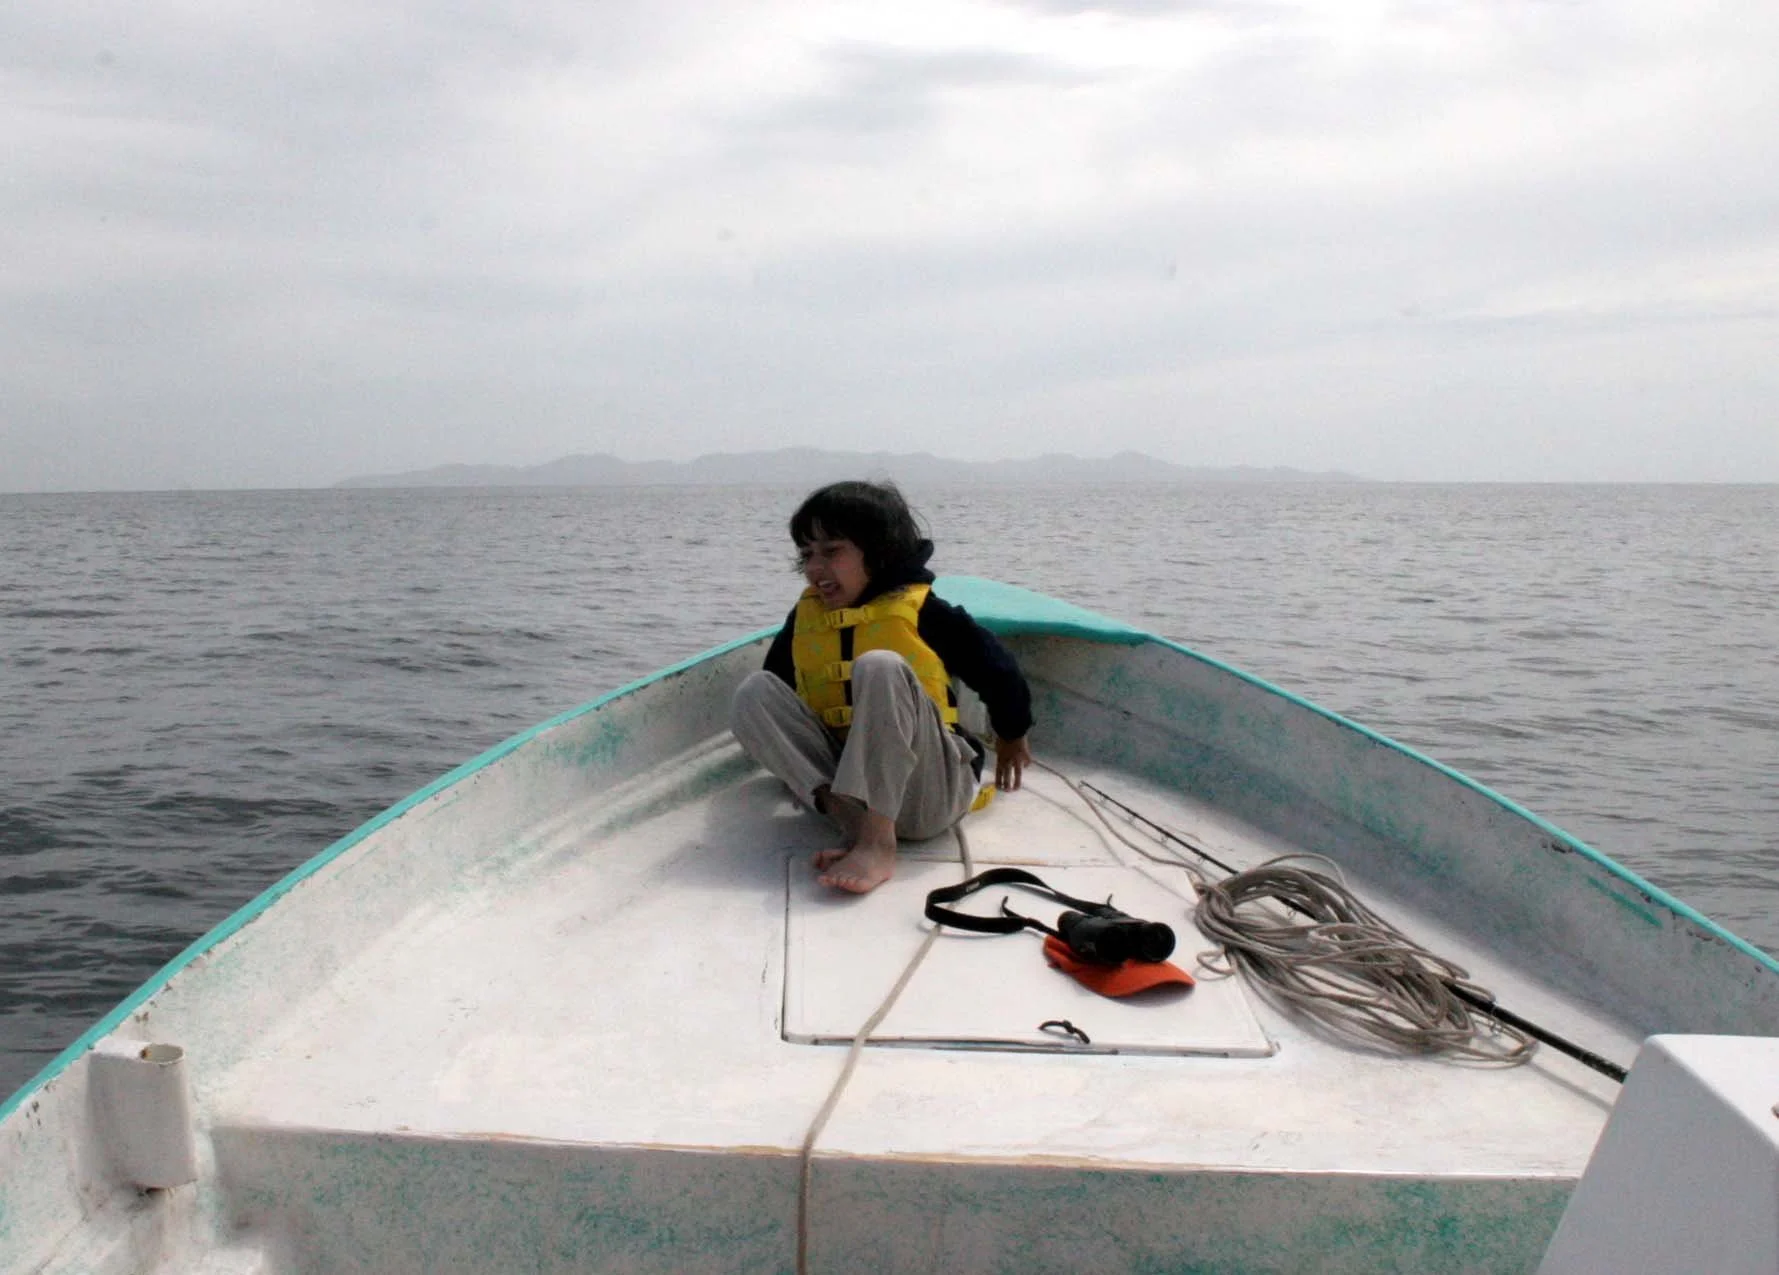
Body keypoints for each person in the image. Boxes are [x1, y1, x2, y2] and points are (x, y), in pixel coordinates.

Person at [730, 481, 1034, 894]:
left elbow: (998, 670)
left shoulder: (925, 610)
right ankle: (854, 823)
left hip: (927, 795)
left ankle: (876, 842)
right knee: (755, 692)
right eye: (807, 554)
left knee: (880, 666)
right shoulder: (805, 618)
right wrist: (803, 766)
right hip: (847, 795)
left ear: (879, 552)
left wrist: (1012, 735)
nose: (815, 568)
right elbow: (781, 700)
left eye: (832, 551)